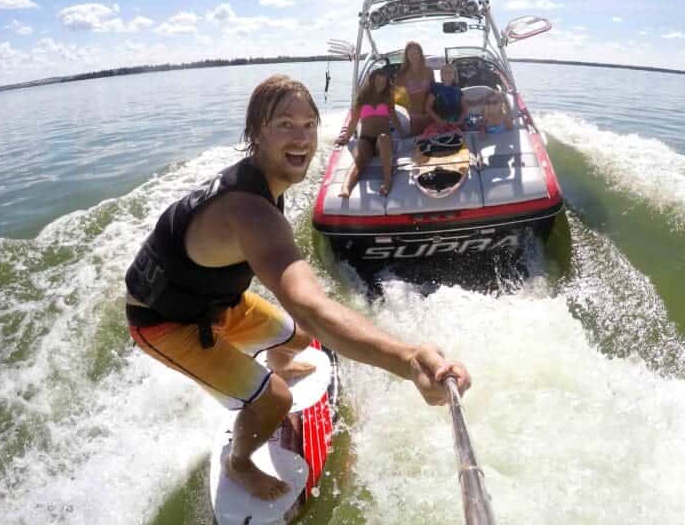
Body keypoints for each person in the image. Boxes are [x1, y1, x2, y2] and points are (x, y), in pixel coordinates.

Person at [124, 75, 471, 502]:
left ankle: (273, 365)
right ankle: (240, 460)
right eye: (284, 124)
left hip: (216, 302)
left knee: (301, 340)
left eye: (309, 125)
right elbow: (309, 305)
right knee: (276, 400)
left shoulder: (264, 180)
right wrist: (408, 359)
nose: (301, 137)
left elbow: (306, 320)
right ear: (256, 133)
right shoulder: (251, 212)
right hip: (166, 323)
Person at [336, 68, 405, 197]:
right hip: (366, 138)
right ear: (371, 81)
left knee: (384, 138)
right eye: (377, 81)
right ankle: (346, 187)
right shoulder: (362, 97)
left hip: (382, 139)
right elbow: (354, 120)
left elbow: (394, 116)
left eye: (383, 82)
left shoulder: (388, 96)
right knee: (359, 160)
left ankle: (387, 180)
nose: (380, 84)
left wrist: (403, 135)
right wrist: (346, 138)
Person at [394, 41, 435, 135]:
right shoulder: (401, 76)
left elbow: (434, 92)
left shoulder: (429, 71)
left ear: (420, 54)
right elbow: (398, 102)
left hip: (431, 114)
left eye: (417, 53)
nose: (414, 55)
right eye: (411, 53)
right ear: (406, 56)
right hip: (413, 118)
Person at [424, 63, 467, 128]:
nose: (448, 73)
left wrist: (459, 122)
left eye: (450, 72)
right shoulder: (435, 88)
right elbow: (427, 107)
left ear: (454, 75)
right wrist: (439, 120)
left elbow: (465, 109)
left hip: (456, 125)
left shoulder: (458, 89)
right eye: (445, 72)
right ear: (441, 74)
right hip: (439, 125)